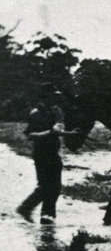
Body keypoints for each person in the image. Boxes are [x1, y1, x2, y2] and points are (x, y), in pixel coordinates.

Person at [17, 85, 78, 225]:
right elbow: (30, 135)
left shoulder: (55, 111)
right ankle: (26, 207)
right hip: (41, 153)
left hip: (53, 152)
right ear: (46, 96)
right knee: (45, 186)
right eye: (53, 95)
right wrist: (49, 133)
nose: (56, 97)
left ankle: (47, 214)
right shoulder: (36, 113)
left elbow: (58, 129)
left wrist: (69, 133)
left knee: (55, 186)